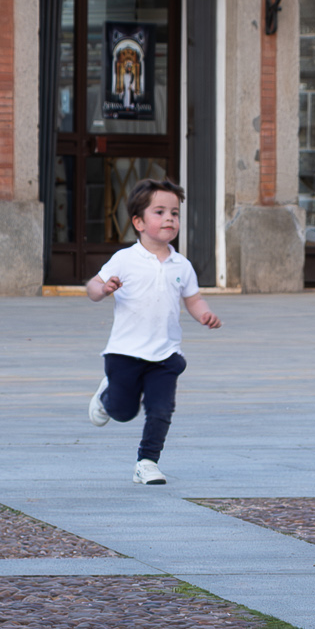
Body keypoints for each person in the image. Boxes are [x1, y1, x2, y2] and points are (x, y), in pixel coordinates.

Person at [83, 178, 220, 485]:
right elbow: (93, 286)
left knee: (161, 410)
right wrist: (103, 289)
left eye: (175, 212)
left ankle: (147, 462)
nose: (170, 218)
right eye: (160, 212)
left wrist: (205, 314)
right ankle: (106, 398)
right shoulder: (125, 259)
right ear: (138, 222)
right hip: (125, 353)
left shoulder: (182, 266)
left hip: (165, 354)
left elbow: (193, 299)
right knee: (123, 411)